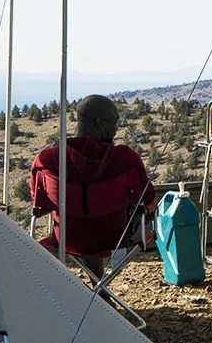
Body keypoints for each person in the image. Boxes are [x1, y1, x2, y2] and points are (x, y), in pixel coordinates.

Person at [30, 94, 155, 277]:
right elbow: (147, 198)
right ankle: (100, 290)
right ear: (100, 122)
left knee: (84, 222)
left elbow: (40, 205)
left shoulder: (48, 161)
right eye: (114, 122)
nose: (116, 129)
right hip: (116, 239)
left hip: (67, 239)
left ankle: (89, 289)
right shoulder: (125, 160)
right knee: (95, 223)